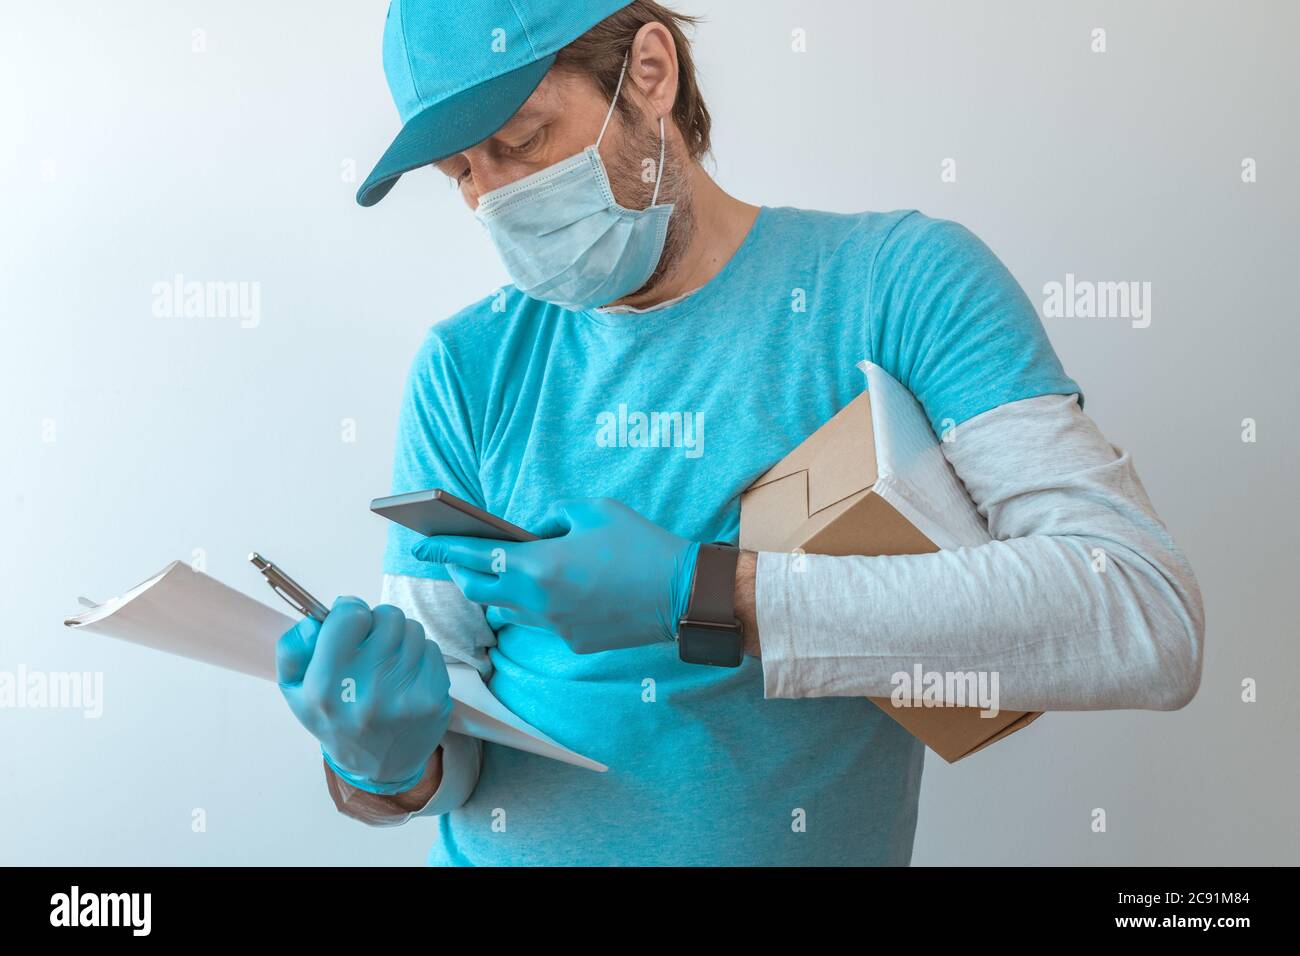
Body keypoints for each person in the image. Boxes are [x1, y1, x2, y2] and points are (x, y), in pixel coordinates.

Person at [275, 0, 1204, 866]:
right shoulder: (466, 369)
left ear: (648, 73)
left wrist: (708, 591)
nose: (493, 202)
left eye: (521, 142)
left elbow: (1139, 612)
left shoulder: (896, 286)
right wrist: (385, 766)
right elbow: (455, 741)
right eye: (461, 175)